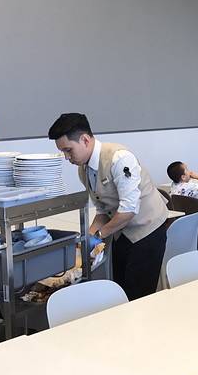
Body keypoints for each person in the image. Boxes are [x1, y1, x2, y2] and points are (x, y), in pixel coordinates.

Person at [48, 113, 169, 300]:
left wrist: (98, 235)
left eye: (68, 150)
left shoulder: (119, 158)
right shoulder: (84, 169)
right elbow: (103, 210)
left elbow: (128, 210)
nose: (66, 157)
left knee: (139, 296)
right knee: (119, 289)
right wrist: (87, 238)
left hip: (147, 229)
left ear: (85, 140)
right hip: (122, 231)